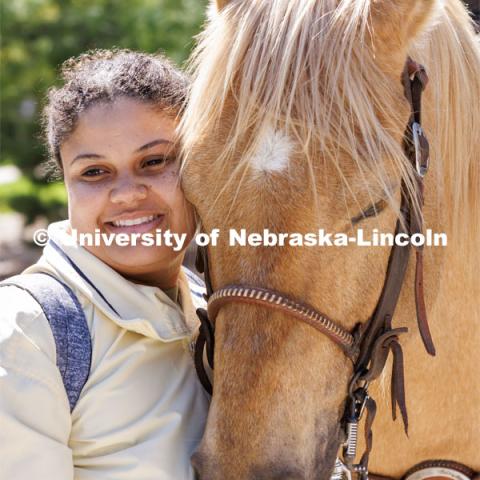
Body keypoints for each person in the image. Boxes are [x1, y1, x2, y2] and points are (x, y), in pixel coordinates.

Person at [0, 49, 209, 480]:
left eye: (154, 161)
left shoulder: (220, 313)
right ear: (66, 183)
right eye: (94, 172)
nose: (127, 193)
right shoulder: (26, 333)